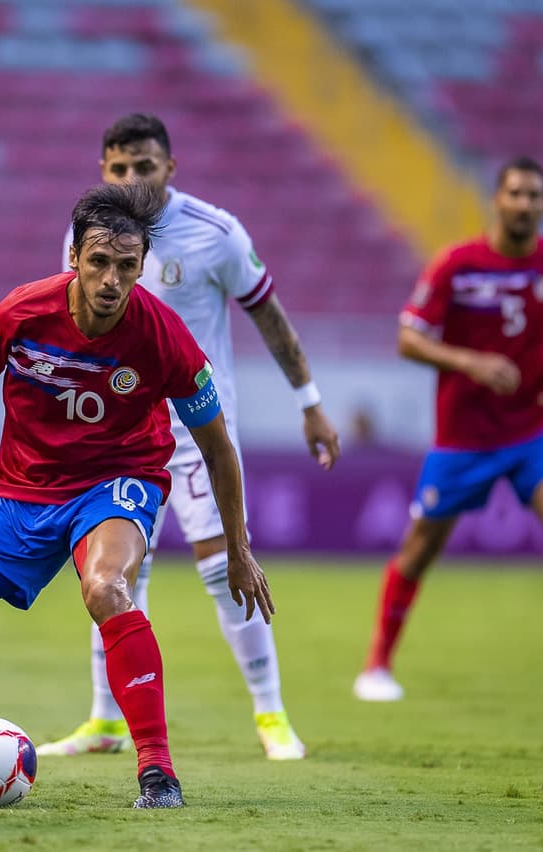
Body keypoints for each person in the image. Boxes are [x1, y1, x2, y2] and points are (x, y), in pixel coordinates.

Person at [0, 183, 274, 809]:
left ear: (141, 267)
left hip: (116, 483)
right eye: (100, 262)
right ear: (74, 257)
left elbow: (218, 447)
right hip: (20, 491)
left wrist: (237, 547)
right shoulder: (22, 312)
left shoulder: (164, 337)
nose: (112, 280)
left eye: (127, 267)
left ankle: (157, 771)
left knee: (107, 587)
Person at [39, 113, 340, 762]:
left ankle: (271, 715)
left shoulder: (216, 233)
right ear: (103, 171)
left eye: (143, 167)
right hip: (115, 432)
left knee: (222, 561)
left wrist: (309, 402)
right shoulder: (84, 231)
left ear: (169, 169)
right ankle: (106, 721)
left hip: (193, 429)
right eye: (118, 168)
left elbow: (271, 319)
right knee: (111, 572)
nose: (130, 179)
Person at [353, 158, 543, 702]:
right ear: (497, 200)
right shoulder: (457, 264)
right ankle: (377, 664)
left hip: (533, 428)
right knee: (419, 549)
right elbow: (409, 338)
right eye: (516, 193)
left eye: (535, 196)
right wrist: (471, 363)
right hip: (463, 437)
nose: (524, 204)